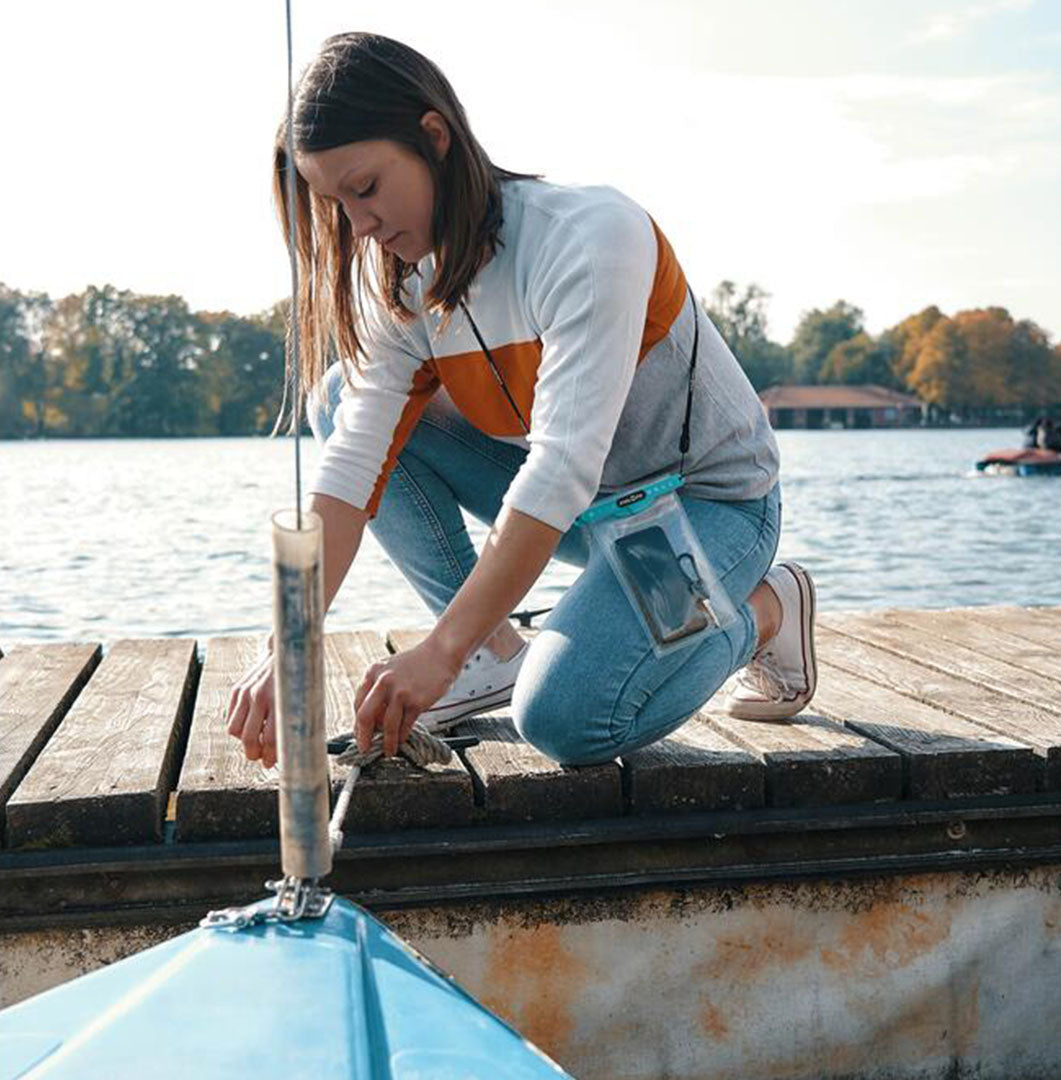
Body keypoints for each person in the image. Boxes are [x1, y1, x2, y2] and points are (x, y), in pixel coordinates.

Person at [225, 32, 817, 771]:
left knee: (567, 719)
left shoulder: (589, 237)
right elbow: (349, 474)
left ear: (433, 137)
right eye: (336, 204)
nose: (359, 226)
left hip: (705, 506)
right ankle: (490, 649)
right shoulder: (403, 285)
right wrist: (291, 644)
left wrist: (437, 653)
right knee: (341, 398)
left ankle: (766, 611)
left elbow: (559, 471)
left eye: (366, 188)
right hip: (585, 516)